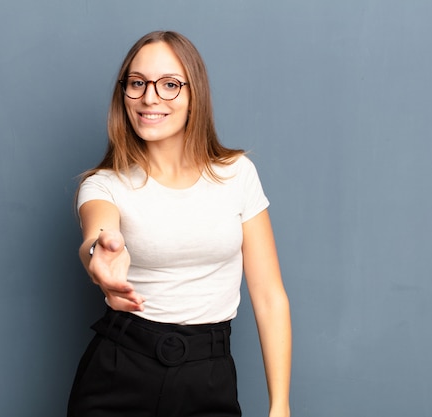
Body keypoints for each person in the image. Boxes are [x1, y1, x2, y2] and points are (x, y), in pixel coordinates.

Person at [68, 30, 291, 417]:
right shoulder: (104, 184)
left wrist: (280, 406)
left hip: (209, 373)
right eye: (137, 83)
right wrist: (99, 256)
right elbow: (98, 233)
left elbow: (270, 297)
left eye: (169, 84)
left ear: (194, 95)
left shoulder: (237, 174)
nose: (149, 97)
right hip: (119, 368)